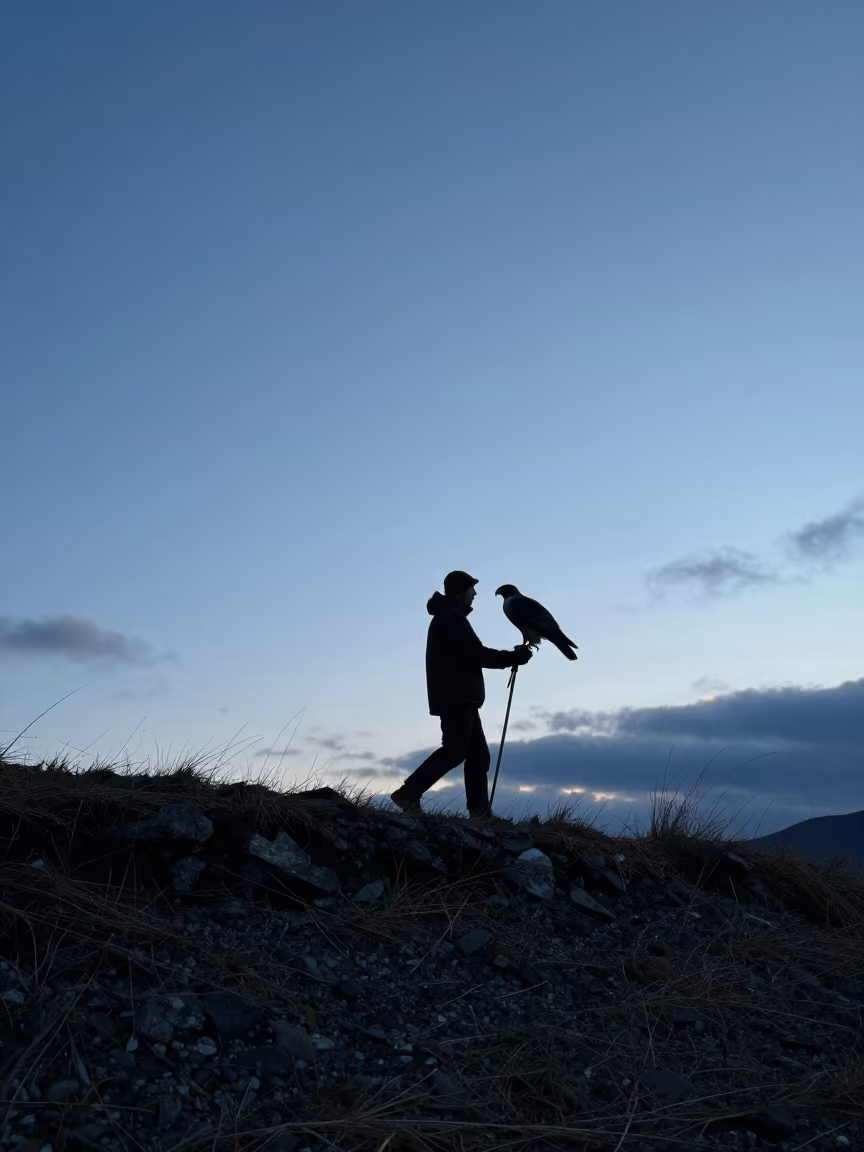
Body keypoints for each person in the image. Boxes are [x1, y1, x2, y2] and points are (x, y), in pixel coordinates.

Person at [390, 570, 532, 818]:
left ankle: (480, 813)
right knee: (456, 750)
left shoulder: (450, 617)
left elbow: (472, 653)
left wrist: (511, 658)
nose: (475, 593)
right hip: (456, 696)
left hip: (458, 696)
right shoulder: (451, 618)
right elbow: (474, 654)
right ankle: (408, 794)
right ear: (460, 591)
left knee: (477, 755)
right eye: (471, 589)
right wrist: (512, 658)